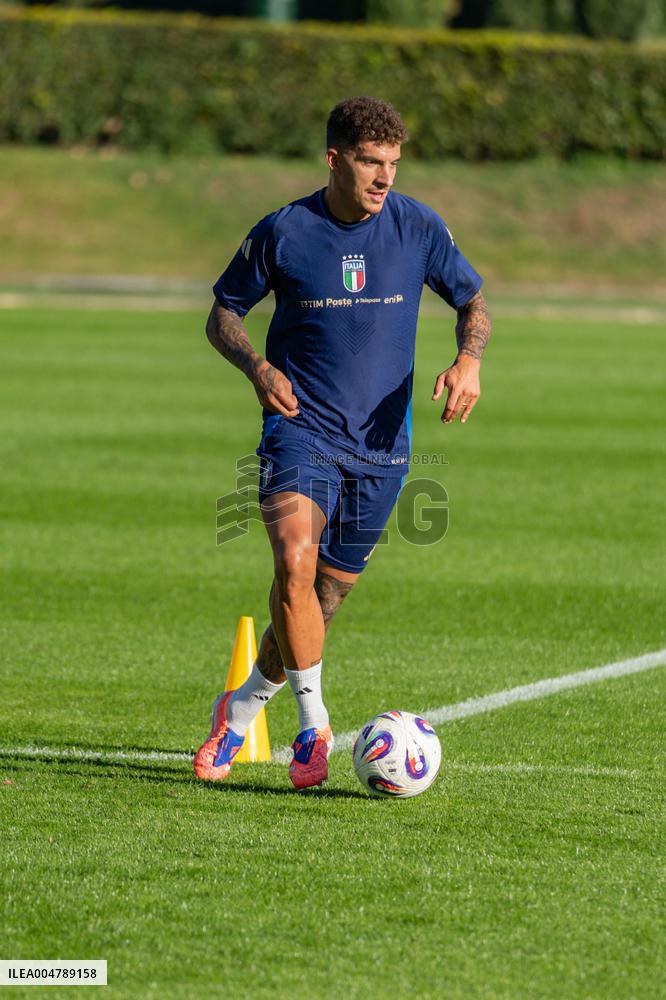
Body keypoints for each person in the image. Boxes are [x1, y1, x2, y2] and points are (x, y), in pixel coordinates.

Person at [193, 96, 491, 789]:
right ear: (334, 159)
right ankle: (314, 726)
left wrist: (469, 359)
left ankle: (238, 712)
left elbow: (472, 300)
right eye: (368, 161)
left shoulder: (417, 226)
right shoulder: (286, 231)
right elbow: (223, 315)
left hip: (382, 448)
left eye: (392, 162)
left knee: (320, 602)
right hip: (301, 429)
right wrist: (257, 367)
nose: (384, 177)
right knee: (294, 564)